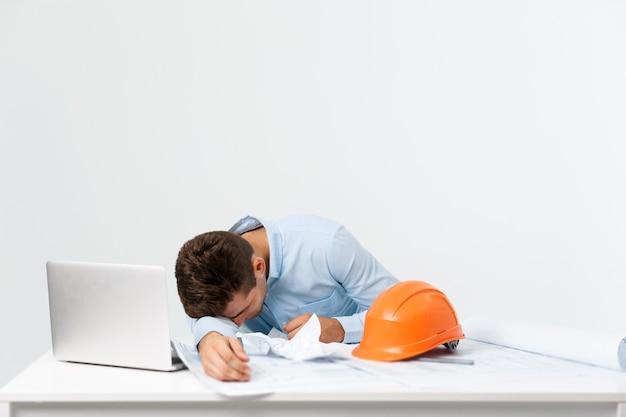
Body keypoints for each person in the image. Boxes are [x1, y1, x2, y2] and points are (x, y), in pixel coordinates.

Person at [175, 214, 399, 381]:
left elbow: (401, 312)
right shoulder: (214, 271)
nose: (237, 325)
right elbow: (202, 315)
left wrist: (341, 328)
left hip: (365, 381)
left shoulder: (328, 246)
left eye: (240, 313)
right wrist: (211, 337)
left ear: (258, 268)